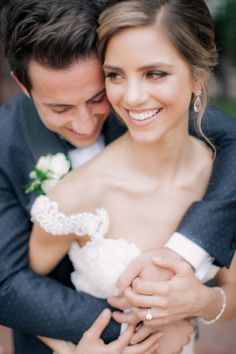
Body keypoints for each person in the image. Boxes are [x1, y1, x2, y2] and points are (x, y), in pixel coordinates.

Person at [0, 0, 236, 353]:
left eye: (97, 97)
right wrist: (149, 326)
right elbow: (9, 286)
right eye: (59, 108)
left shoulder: (148, 110)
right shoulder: (13, 150)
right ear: (22, 84)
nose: (84, 124)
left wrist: (197, 296)